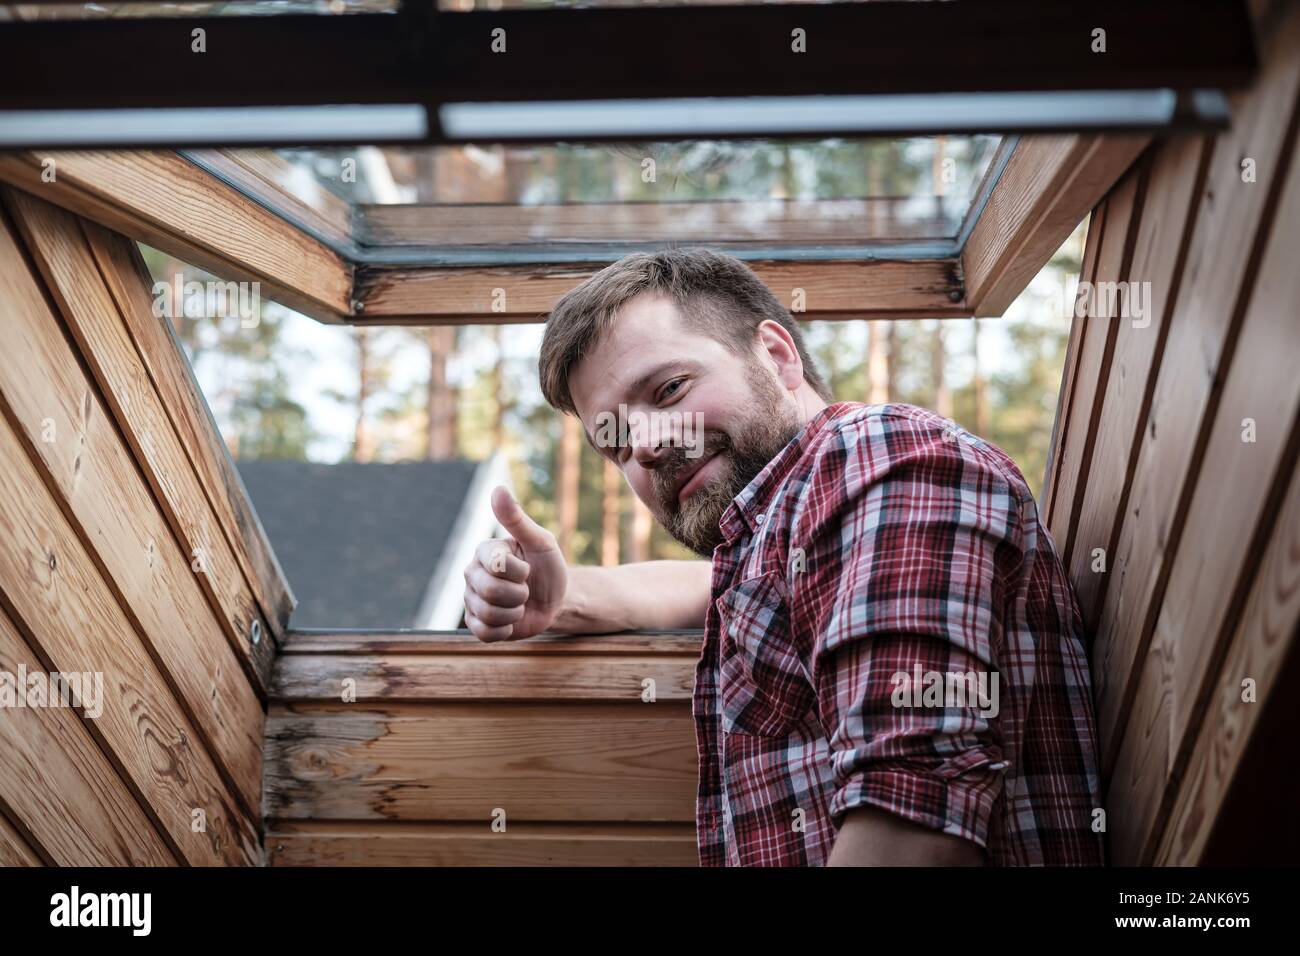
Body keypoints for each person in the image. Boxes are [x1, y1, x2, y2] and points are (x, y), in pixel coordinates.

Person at [462, 248, 1104, 867]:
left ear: (775, 355)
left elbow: (913, 809)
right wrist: (555, 596)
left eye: (670, 389)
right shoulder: (785, 533)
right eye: (618, 439)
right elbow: (703, 586)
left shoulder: (878, 458)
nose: (649, 447)